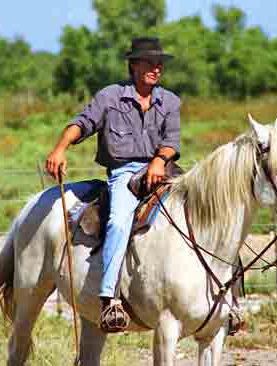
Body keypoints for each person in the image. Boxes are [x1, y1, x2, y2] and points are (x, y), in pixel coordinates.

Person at [45, 37, 181, 329]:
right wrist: (60, 148)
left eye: (159, 64)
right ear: (133, 65)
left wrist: (159, 161)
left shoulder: (170, 101)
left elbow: (171, 142)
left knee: (207, 208)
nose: (156, 69)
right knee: (119, 222)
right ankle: (109, 298)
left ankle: (226, 299)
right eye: (149, 62)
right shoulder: (110, 97)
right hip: (125, 174)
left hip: (165, 169)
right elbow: (82, 123)